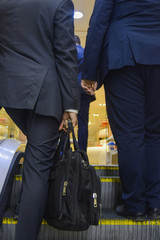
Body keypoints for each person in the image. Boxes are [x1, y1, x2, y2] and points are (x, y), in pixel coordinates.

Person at [0, 0, 80, 239]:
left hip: (10, 92)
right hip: (45, 94)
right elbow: (65, 53)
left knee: (36, 155)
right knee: (38, 168)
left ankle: (21, 210)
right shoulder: (58, 3)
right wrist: (71, 105)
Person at [81, 0, 160, 221]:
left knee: (130, 134)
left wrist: (89, 72)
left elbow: (98, 22)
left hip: (124, 54)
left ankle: (135, 205)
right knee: (155, 134)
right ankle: (155, 204)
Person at [75, 35, 95, 152]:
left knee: (67, 120)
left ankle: (64, 152)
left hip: (72, 92)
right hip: (85, 91)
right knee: (83, 123)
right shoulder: (86, 53)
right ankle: (82, 153)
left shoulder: (69, 52)